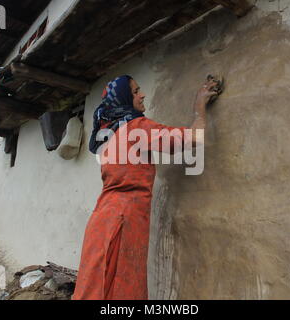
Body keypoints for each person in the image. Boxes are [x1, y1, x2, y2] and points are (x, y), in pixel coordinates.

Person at [71, 74, 220, 300]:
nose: (142, 95)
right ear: (123, 99)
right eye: (135, 91)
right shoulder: (135, 127)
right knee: (121, 288)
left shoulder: (110, 136)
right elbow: (190, 139)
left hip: (102, 218)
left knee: (95, 285)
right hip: (123, 220)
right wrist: (199, 107)